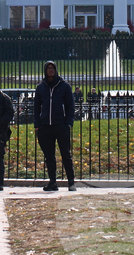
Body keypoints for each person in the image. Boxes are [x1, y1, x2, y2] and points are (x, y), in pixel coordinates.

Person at [33, 61, 77, 192]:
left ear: (56, 70)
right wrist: (37, 124)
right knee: (49, 156)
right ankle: (52, 182)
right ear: (45, 71)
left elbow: (70, 106)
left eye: (52, 68)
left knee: (66, 154)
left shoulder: (64, 86)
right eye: (48, 68)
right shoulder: (41, 87)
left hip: (61, 125)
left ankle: (71, 182)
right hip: (45, 126)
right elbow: (36, 107)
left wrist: (68, 123)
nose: (50, 70)